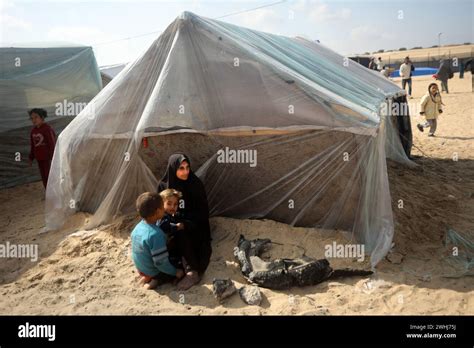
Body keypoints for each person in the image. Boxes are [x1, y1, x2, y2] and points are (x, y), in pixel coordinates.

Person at [157, 154, 212, 291]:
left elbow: (203, 213)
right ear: (173, 168)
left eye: (187, 168)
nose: (186, 172)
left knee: (181, 233)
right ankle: (165, 273)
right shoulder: (163, 186)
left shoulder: (195, 184)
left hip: (193, 224)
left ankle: (192, 271)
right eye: (181, 168)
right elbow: (158, 209)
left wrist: (185, 223)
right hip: (170, 223)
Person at [131, 192, 184, 290]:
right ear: (157, 211)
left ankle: (146, 277)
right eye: (162, 207)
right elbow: (161, 263)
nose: (164, 209)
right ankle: (156, 280)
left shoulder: (138, 227)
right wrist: (175, 272)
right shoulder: (155, 234)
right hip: (154, 271)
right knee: (178, 264)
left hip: (141, 268)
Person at [28, 108, 56, 188]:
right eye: (32, 118)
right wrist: (31, 158)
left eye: (36, 117)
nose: (34, 120)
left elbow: (52, 144)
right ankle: (47, 191)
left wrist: (54, 158)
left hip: (48, 158)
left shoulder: (47, 129)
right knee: (44, 176)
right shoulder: (33, 131)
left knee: (49, 176)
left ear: (42, 117)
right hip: (39, 158)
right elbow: (33, 146)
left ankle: (53, 192)